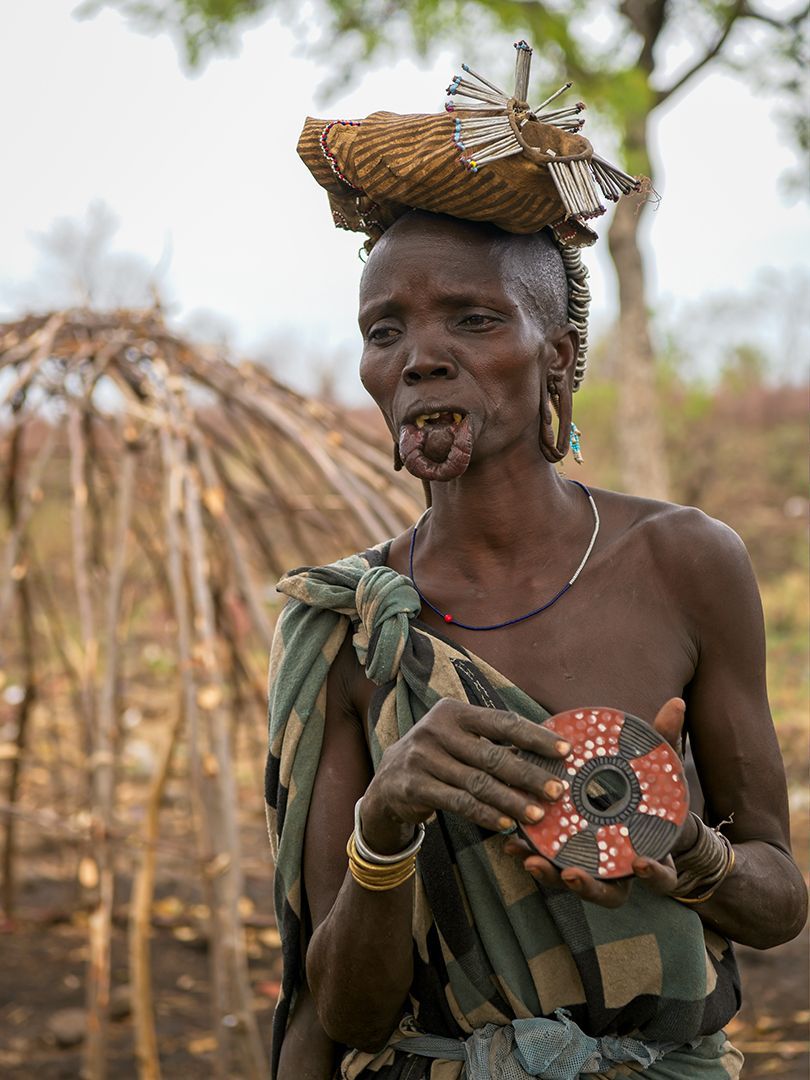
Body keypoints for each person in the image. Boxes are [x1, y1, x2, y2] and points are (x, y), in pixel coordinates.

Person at [265, 45, 807, 1080]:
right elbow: (344, 1005)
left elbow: (779, 903)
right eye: (387, 329)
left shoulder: (686, 563)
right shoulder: (350, 626)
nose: (421, 354)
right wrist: (388, 823)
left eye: (473, 319)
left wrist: (684, 846)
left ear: (555, 353)